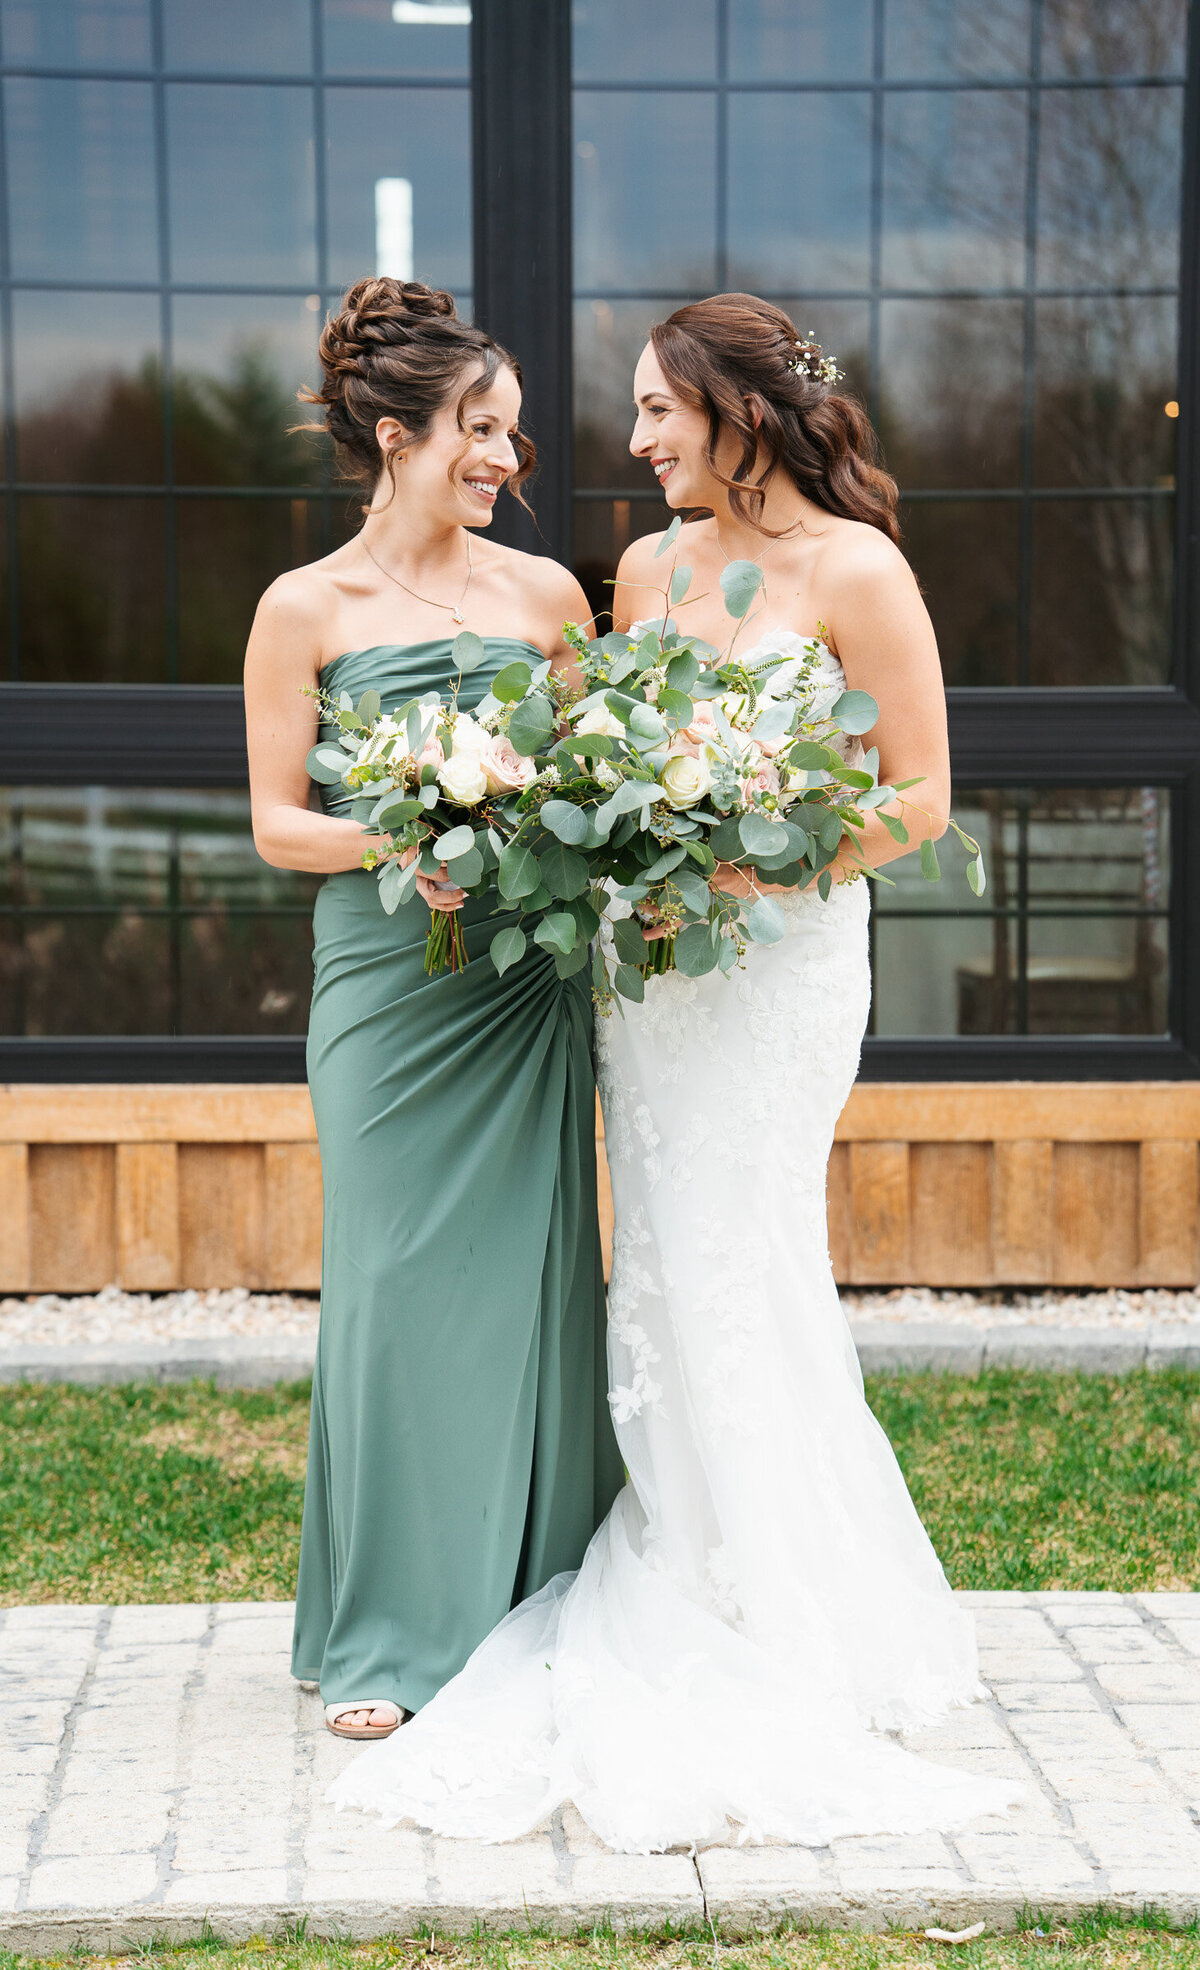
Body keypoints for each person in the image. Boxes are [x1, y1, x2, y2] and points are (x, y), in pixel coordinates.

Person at [326, 292, 1021, 1849]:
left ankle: (782, 1595)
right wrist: (627, 839)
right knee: (662, 1265)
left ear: (739, 413)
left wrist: (756, 870)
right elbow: (605, 763)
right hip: (655, 982)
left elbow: (917, 795)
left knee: (747, 1247)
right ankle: (699, 1543)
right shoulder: (642, 571)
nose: (632, 439)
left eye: (656, 410)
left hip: (776, 975)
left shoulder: (859, 571)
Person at [243, 276, 623, 1742]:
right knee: (397, 1280)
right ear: (395, 432)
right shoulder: (306, 609)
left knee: (535, 1280)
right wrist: (415, 838)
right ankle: (388, 1625)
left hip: (524, 986)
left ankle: (540, 1599)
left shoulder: (547, 597)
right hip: (390, 992)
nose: (505, 460)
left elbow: (591, 792)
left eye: (515, 435)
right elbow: (280, 821)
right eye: (481, 428)